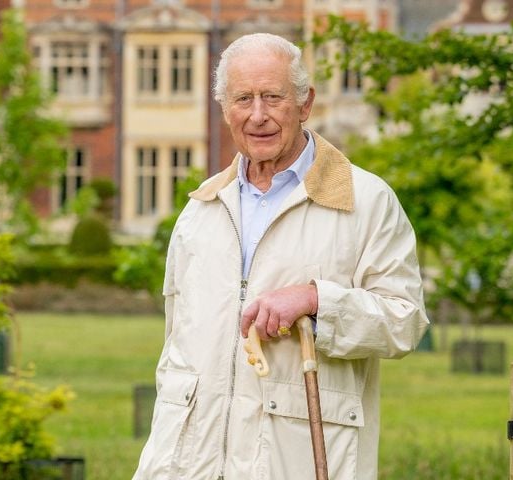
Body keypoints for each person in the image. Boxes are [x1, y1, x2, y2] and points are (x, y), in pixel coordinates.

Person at [133, 32, 429, 480]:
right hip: (188, 465)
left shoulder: (366, 200)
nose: (257, 116)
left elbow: (404, 321)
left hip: (297, 462)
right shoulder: (201, 209)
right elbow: (176, 351)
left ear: (305, 103)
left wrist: (317, 301)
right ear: (224, 108)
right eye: (242, 99)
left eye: (273, 97)